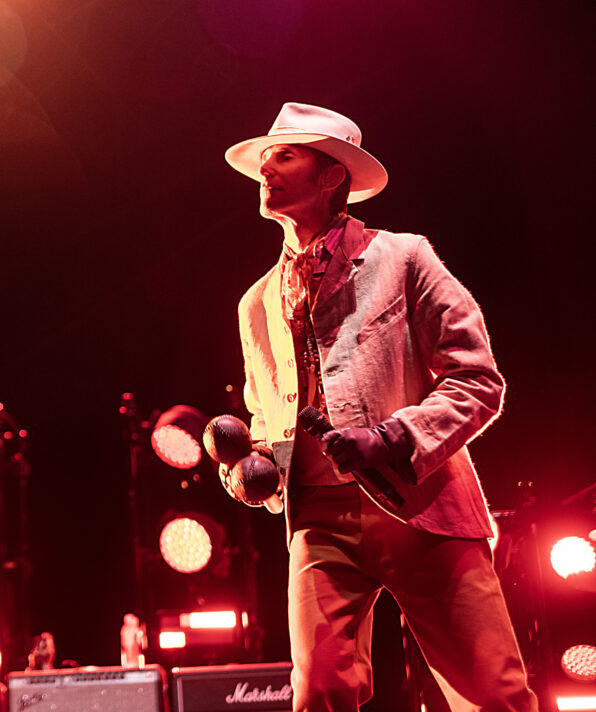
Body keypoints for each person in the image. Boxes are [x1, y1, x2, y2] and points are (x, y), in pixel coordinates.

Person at [218, 102, 537, 711]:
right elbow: (267, 416)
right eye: (264, 160)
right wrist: (248, 467)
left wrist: (392, 438)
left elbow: (478, 380)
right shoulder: (254, 302)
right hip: (317, 519)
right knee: (318, 694)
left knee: (493, 694)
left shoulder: (404, 257)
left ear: (333, 175)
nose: (267, 170)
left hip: (422, 505)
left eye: (284, 156)